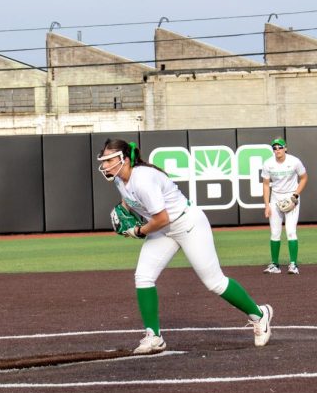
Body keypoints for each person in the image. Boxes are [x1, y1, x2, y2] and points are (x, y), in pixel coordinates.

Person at [97, 138, 273, 354]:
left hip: (187, 224)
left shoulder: (143, 179)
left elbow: (161, 218)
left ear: (123, 159)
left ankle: (259, 315)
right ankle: (154, 336)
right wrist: (122, 210)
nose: (104, 165)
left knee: (215, 282)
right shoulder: (119, 180)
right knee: (143, 277)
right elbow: (130, 201)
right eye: (103, 160)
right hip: (164, 229)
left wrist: (139, 231)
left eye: (108, 160)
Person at [260, 138, 308, 275]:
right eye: (274, 148)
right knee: (275, 233)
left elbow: (304, 178)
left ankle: (293, 264)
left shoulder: (294, 161)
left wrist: (296, 195)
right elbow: (265, 184)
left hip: (291, 198)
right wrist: (267, 205)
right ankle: (275, 265)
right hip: (275, 198)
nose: (277, 150)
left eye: (279, 147)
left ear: (285, 148)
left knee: (291, 231)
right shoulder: (268, 163)